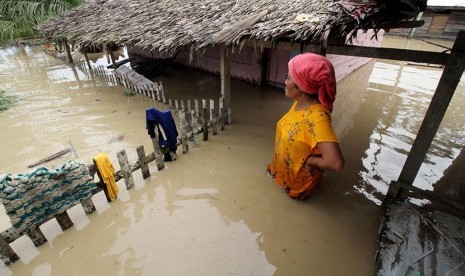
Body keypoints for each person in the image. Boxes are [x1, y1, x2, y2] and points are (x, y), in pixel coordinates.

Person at [267, 53, 344, 200]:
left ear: (301, 87)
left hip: (296, 188)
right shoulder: (299, 103)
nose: (284, 81)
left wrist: (311, 161)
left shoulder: (317, 119)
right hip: (279, 174)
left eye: (288, 78)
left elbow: (336, 162)